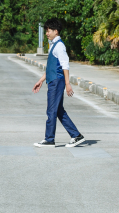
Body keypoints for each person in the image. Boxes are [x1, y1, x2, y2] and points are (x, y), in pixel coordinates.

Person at [32, 19, 85, 148]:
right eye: (46, 31)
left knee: (51, 110)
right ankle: (76, 135)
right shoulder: (53, 45)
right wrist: (41, 80)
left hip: (57, 82)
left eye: (48, 31)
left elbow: (65, 66)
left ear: (56, 31)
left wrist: (68, 83)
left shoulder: (60, 46)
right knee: (58, 110)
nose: (46, 33)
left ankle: (49, 139)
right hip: (52, 80)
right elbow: (51, 66)